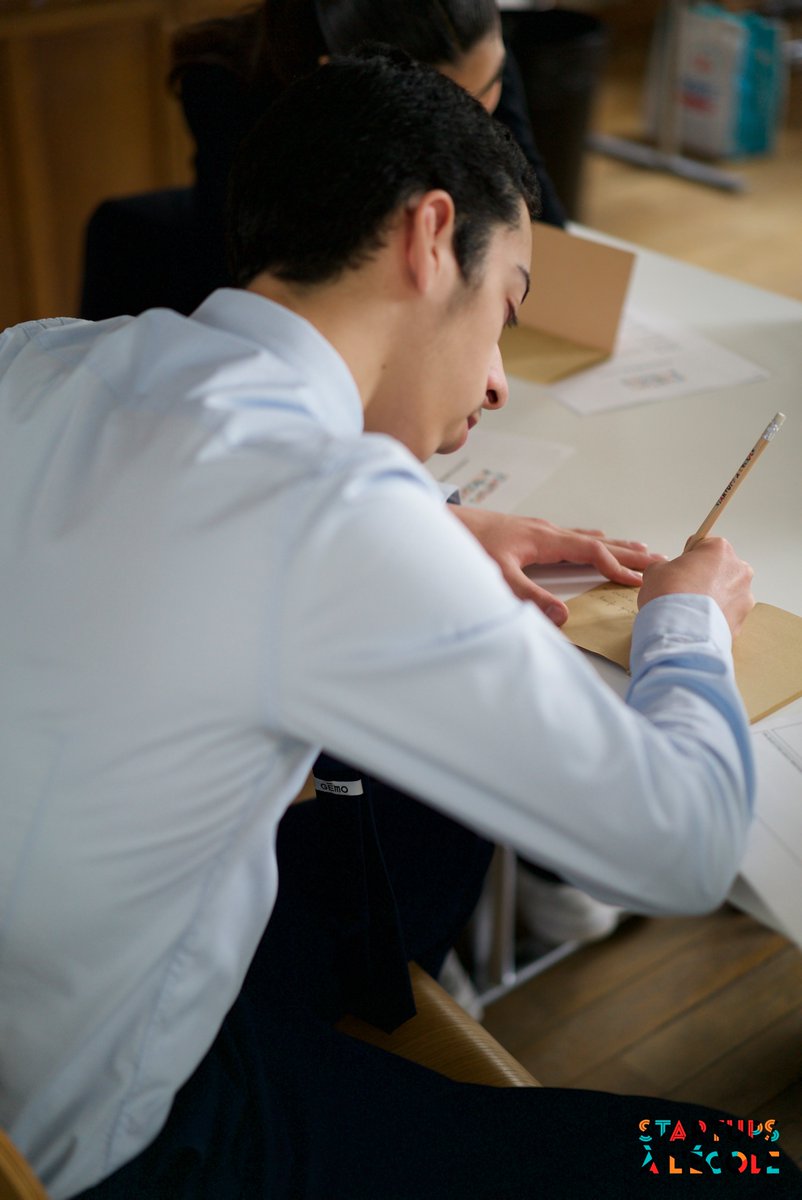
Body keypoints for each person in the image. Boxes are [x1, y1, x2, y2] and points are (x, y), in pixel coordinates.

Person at [5, 49, 798, 1200]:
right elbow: (681, 846)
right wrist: (684, 621)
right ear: (432, 237)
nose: (497, 381)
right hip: (121, 1138)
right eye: (505, 306)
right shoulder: (325, 509)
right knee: (732, 1158)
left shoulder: (41, 358)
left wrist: (437, 528)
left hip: (47, 1024)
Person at [160, 0, 565, 317]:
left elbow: (539, 214)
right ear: (352, 78)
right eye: (454, 104)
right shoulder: (230, 90)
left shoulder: (472, 51)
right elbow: (254, 279)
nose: (477, 119)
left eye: (492, 83)